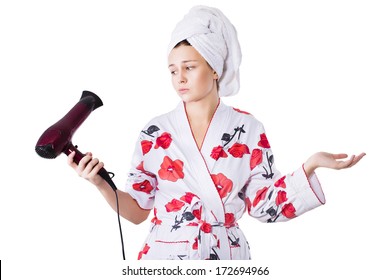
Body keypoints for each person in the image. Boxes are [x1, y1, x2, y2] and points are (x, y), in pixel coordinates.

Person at [68, 5, 365, 260]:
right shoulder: (154, 132)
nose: (179, 78)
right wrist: (99, 182)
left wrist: (310, 165)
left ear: (214, 69)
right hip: (165, 257)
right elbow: (137, 212)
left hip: (227, 257)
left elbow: (263, 207)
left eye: (189, 67)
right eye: (173, 70)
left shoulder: (248, 129)